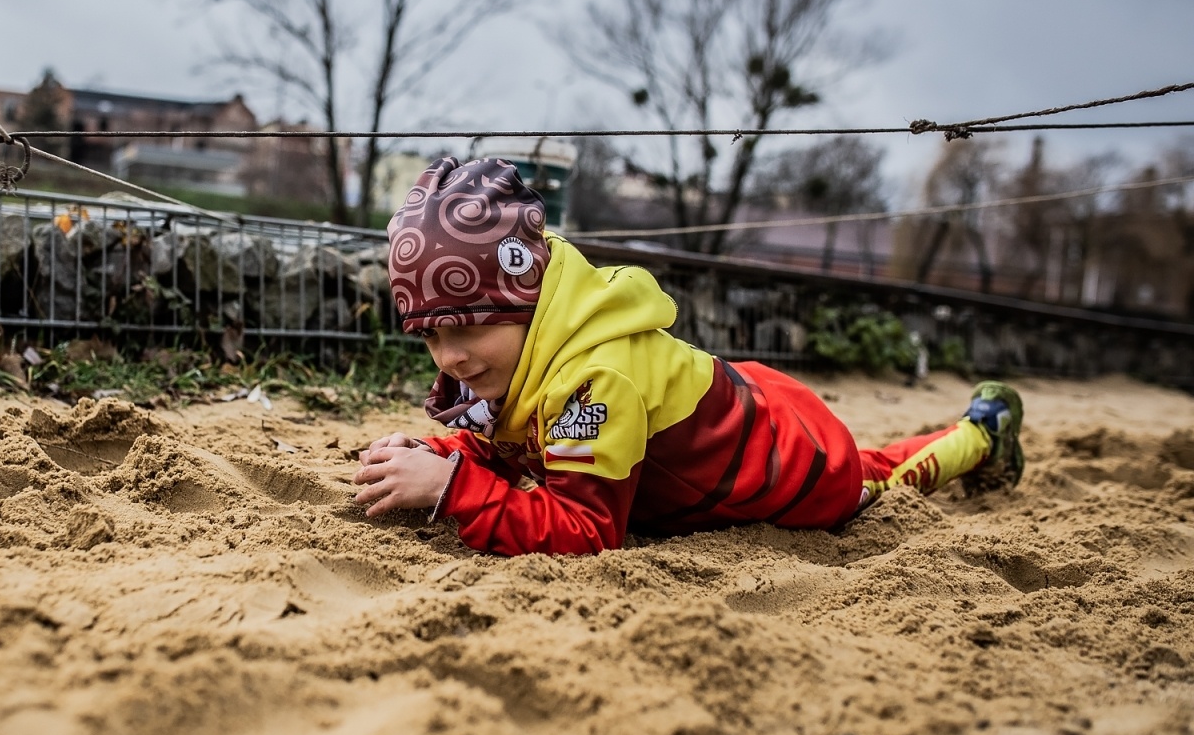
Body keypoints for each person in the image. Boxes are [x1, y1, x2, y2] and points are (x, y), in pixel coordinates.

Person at [352, 155, 1025, 557]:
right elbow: (520, 455)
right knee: (881, 465)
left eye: (468, 327)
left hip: (787, 464)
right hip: (736, 407)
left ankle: (980, 434)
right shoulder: (533, 357)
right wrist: (439, 456)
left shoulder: (593, 382)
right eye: (432, 336)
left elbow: (586, 532)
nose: (451, 357)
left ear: (527, 298)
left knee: (873, 483)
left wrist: (449, 489)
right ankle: (980, 428)